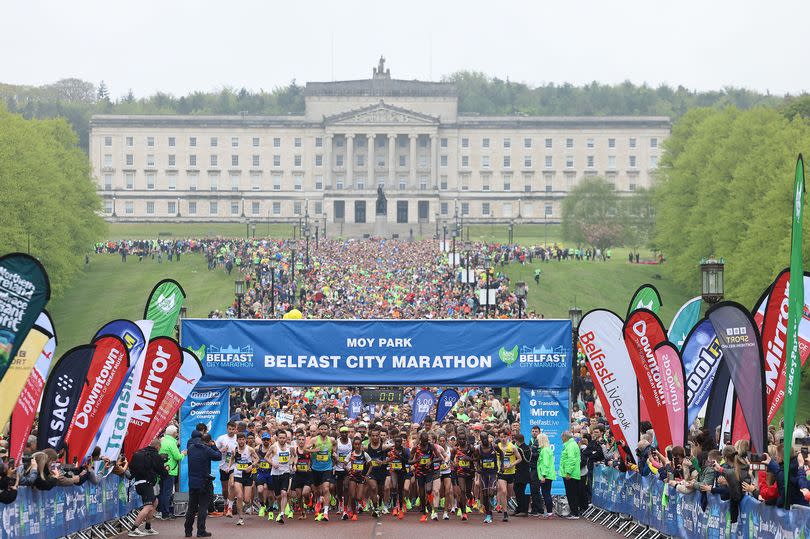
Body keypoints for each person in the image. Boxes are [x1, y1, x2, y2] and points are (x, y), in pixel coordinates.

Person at [129, 439, 168, 537]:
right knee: (148, 506)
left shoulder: (140, 452)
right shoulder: (155, 455)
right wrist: (166, 469)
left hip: (138, 483)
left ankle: (148, 527)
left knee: (155, 502)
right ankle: (134, 529)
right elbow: (162, 473)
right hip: (146, 484)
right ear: (158, 447)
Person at [185, 431, 221, 538]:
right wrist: (213, 446)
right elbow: (218, 456)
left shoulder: (190, 449)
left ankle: (188, 531)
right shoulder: (206, 449)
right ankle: (201, 531)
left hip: (192, 482)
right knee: (203, 507)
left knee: (191, 507)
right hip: (204, 482)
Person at [229, 432, 259, 526]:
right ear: (237, 440)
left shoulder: (250, 449)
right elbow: (231, 459)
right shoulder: (235, 449)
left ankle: (244, 505)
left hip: (248, 476)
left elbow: (257, 459)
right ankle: (240, 518)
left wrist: (251, 466)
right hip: (238, 475)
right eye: (239, 439)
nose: (241, 441)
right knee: (239, 496)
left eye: (243, 439)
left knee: (246, 500)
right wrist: (229, 467)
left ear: (245, 440)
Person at [158, 425, 186, 519]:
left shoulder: (162, 441)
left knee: (162, 491)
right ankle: (165, 513)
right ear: (174, 433)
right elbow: (177, 457)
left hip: (161, 469)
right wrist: (183, 454)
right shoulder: (171, 443)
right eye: (176, 432)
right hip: (170, 470)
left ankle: (161, 511)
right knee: (167, 492)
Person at [215, 421, 237, 517]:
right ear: (227, 429)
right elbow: (214, 451)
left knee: (232, 485)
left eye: (233, 429)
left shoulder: (238, 438)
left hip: (234, 466)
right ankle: (225, 504)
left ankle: (230, 508)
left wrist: (236, 453)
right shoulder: (221, 438)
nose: (231, 431)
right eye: (229, 429)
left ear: (235, 429)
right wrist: (221, 450)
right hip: (223, 466)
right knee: (225, 489)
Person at [559, 431, 581, 519]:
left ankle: (574, 513)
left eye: (562, 437)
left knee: (571, 494)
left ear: (565, 437)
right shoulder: (570, 444)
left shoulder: (571, 445)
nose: (561, 439)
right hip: (571, 473)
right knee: (571, 493)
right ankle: (574, 512)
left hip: (570, 474)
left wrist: (568, 472)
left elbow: (571, 460)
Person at [512, 433, 531, 516]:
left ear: (516, 441)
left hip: (519, 473)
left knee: (519, 492)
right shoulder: (528, 448)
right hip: (526, 472)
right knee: (521, 491)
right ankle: (520, 509)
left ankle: (523, 510)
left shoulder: (519, 450)